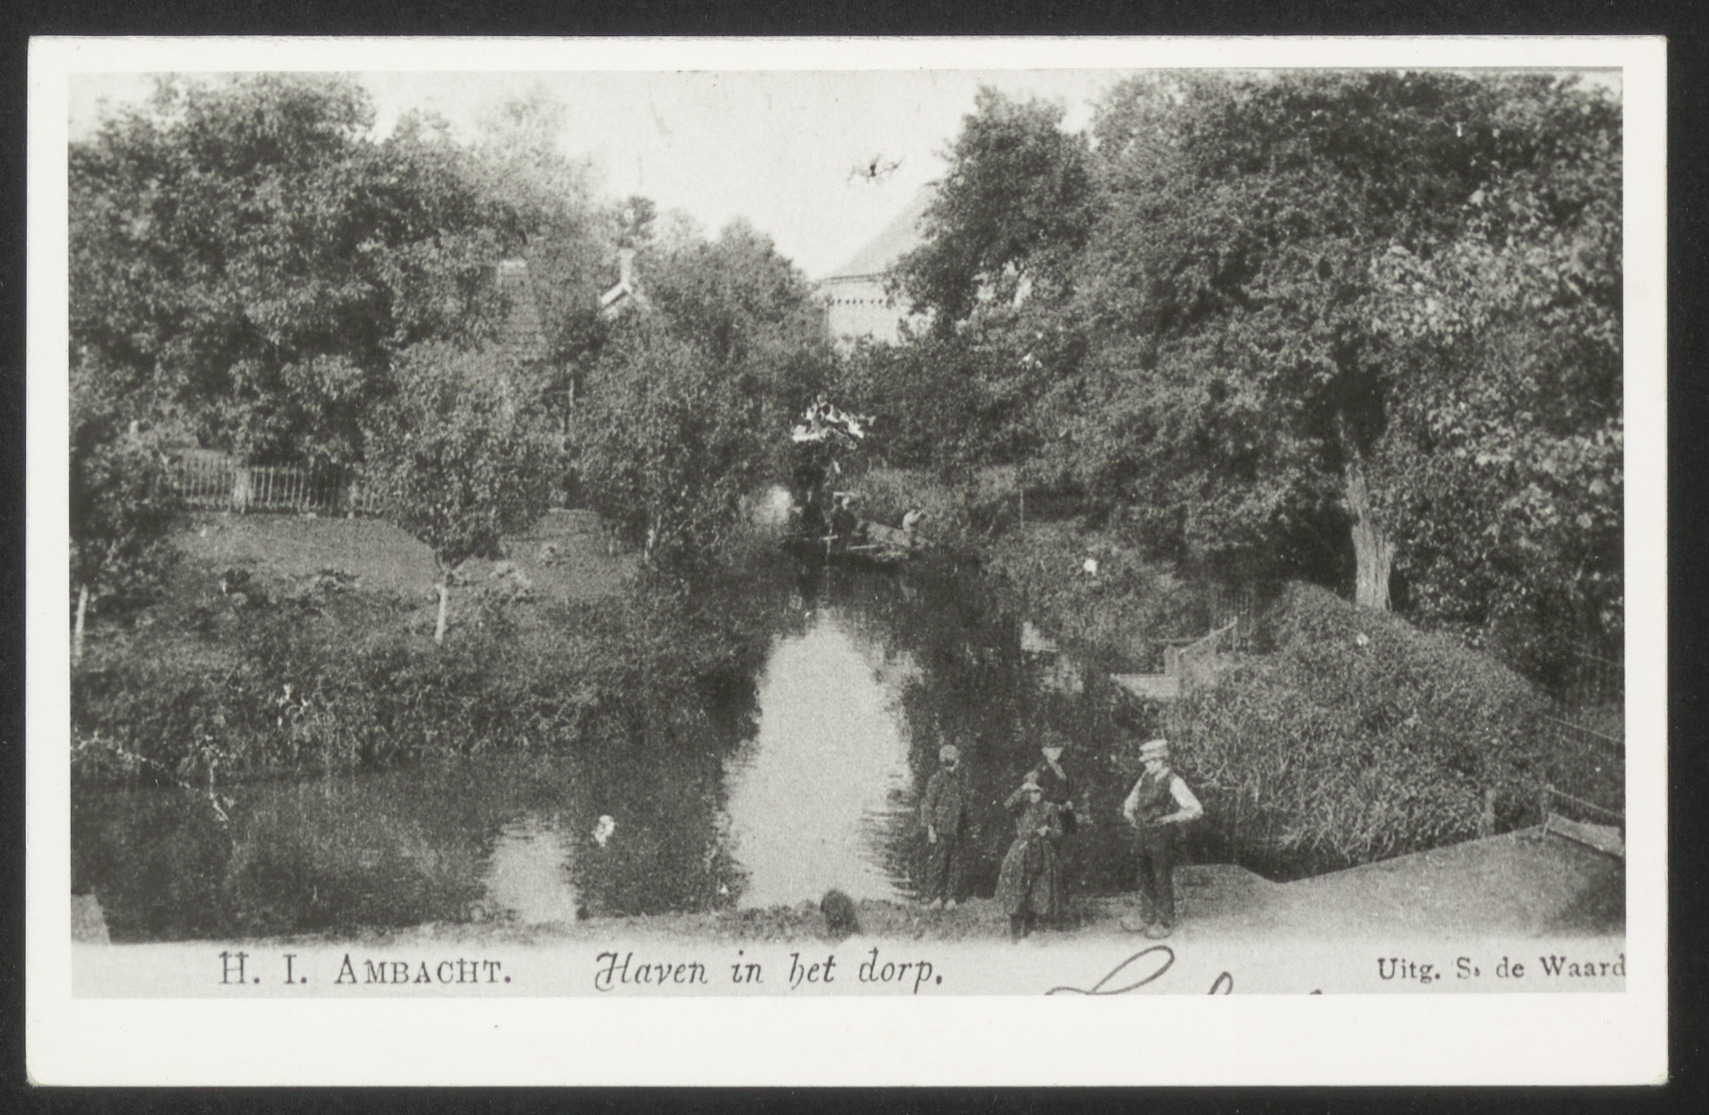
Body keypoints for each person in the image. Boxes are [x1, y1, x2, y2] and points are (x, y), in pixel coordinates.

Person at [1120, 738, 1203, 938]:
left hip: (1162, 836)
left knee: (1161, 878)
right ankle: (1146, 916)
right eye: (1146, 762)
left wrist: (1172, 818)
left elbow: (1195, 809)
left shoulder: (1174, 781)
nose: (1147, 766)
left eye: (1151, 761)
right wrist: (1130, 814)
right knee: (1144, 875)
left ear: (1162, 760)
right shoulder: (1144, 778)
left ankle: (1165, 922)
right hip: (1143, 833)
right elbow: (1130, 802)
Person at [995, 773, 1065, 939]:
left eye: (1036, 791)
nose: (1033, 795)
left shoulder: (1049, 807)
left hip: (1042, 852)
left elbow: (1059, 832)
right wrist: (1022, 788)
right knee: (1017, 888)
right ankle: (1015, 933)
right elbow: (1007, 805)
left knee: (1037, 890)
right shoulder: (1021, 807)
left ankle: (1030, 929)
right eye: (1030, 792)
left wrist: (1048, 831)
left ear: (1042, 791)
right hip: (1021, 851)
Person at [919, 744, 971, 909]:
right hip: (941, 828)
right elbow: (928, 805)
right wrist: (930, 828)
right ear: (943, 762)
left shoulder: (961, 779)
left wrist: (967, 823)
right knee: (938, 863)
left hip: (957, 828)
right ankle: (935, 896)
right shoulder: (936, 780)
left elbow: (965, 802)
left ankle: (951, 897)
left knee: (956, 863)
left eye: (954, 762)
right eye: (948, 762)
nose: (951, 766)